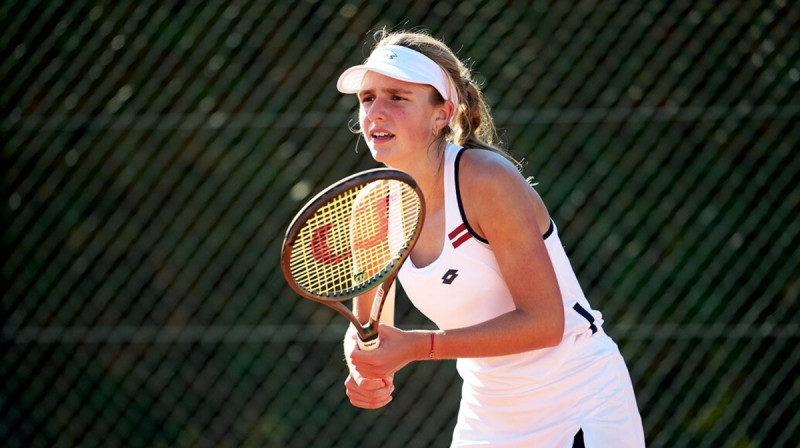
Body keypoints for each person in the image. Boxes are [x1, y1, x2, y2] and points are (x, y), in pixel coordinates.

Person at [336, 28, 646, 448]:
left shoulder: (485, 181)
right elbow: (371, 327)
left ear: (441, 114)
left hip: (580, 398)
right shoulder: (371, 209)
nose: (375, 112)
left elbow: (545, 323)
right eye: (367, 97)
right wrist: (365, 372)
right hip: (489, 413)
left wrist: (418, 347)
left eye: (397, 97)